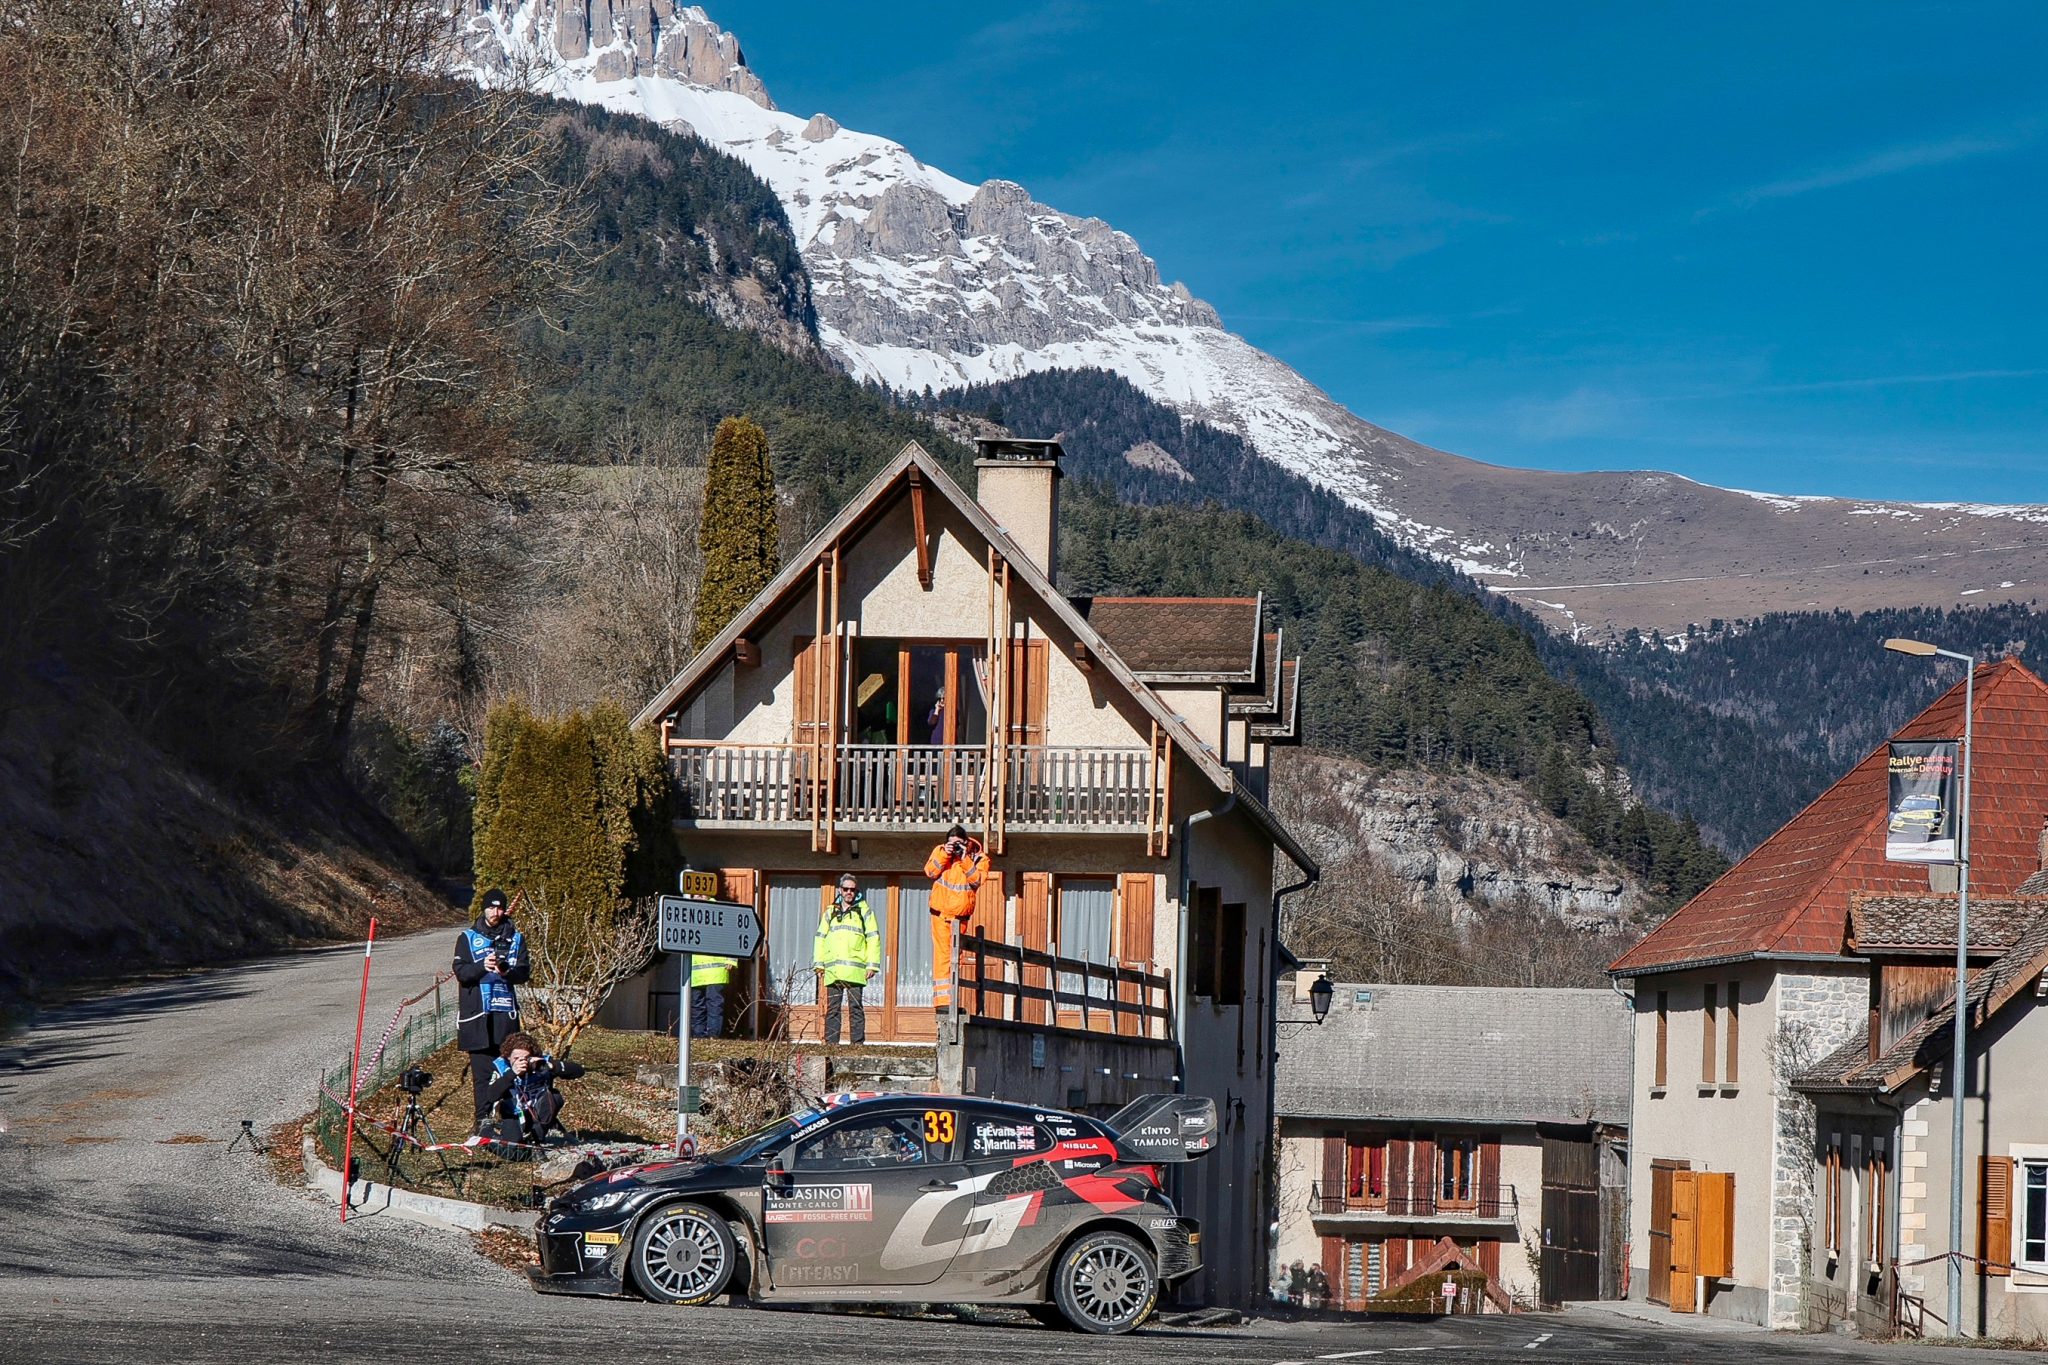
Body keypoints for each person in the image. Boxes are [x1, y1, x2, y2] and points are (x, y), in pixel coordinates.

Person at [453, 887, 529, 1133]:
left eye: (499, 908)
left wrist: (506, 971)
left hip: (505, 1019)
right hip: (477, 1019)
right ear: (483, 909)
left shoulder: (517, 938)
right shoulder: (467, 938)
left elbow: (523, 973)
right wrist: (482, 966)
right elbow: (462, 972)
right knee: (482, 1075)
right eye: (491, 907)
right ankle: (482, 1121)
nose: (495, 912)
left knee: (508, 1070)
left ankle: (509, 1119)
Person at [479, 1031, 586, 1150]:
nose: (522, 1062)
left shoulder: (541, 1063)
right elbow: (491, 1095)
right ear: (508, 1057)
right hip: (514, 1112)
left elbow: (579, 1071)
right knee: (512, 1146)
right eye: (516, 1058)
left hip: (538, 1110)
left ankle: (536, 1141)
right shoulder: (501, 1067)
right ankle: (486, 1131)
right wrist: (512, 1074)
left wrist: (552, 1066)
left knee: (555, 1097)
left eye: (526, 1058)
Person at [923, 824, 988, 1013]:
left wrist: (964, 858)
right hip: (940, 915)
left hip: (960, 919)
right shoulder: (941, 851)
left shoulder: (979, 858)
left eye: (958, 844)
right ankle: (943, 1003)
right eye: (952, 844)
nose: (955, 847)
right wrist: (946, 853)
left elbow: (977, 880)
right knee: (943, 957)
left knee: (955, 959)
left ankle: (951, 1001)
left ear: (966, 842)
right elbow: (930, 872)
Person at [813, 874, 879, 1044]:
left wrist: (872, 965)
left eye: (852, 889)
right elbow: (820, 938)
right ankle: (831, 1045)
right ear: (840, 890)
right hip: (833, 970)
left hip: (855, 971)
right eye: (846, 889)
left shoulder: (864, 912)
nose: (849, 892)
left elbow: (873, 938)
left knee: (856, 1008)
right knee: (833, 1009)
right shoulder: (830, 912)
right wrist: (819, 964)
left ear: (856, 891)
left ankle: (857, 1046)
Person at [690, 952, 737, 1038]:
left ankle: (707, 1037)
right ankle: (705, 1038)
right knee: (707, 1005)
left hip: (708, 972)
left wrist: (731, 958)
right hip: (699, 972)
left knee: (703, 1006)